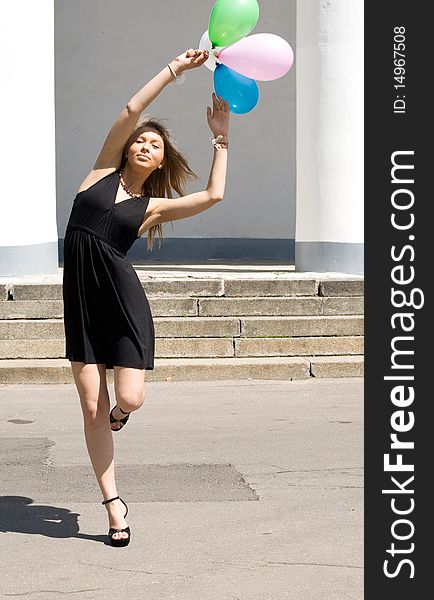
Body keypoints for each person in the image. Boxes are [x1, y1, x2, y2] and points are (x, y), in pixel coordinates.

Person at [62, 48, 230, 547]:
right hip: (83, 300)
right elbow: (132, 110)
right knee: (91, 405)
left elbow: (211, 197)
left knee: (128, 397)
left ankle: (122, 414)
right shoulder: (98, 174)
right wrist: (176, 70)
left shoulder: (151, 207)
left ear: (160, 161)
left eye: (155, 145)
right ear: (128, 147)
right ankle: (114, 503)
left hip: (122, 300)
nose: (145, 144)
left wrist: (221, 139)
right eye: (141, 140)